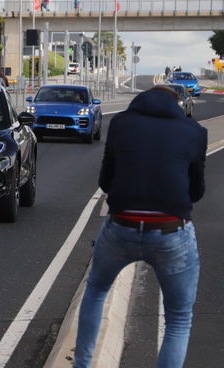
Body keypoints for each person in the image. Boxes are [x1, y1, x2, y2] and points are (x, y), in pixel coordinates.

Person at [73, 85, 207, 368]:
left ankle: (82, 365)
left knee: (96, 290)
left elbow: (106, 181)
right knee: (178, 320)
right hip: (172, 229)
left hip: (122, 224)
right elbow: (196, 192)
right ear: (178, 104)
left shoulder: (121, 123)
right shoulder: (195, 132)